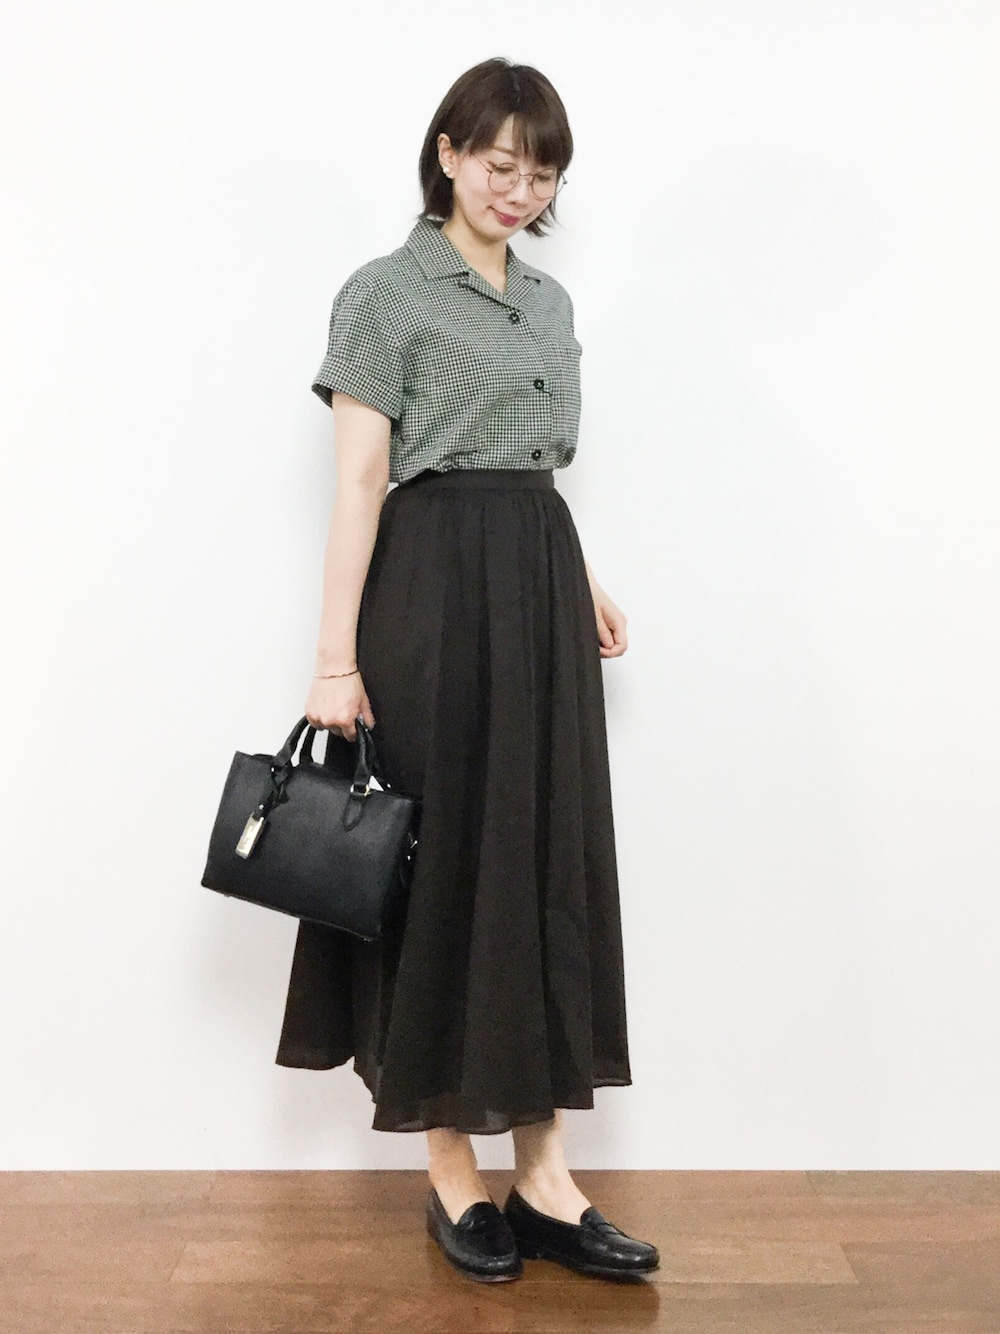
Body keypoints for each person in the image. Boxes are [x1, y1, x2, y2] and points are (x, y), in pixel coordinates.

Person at [277, 56, 658, 1283]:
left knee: (542, 862)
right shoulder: (384, 293)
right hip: (432, 592)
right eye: (500, 163)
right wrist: (333, 661)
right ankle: (449, 1164)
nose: (519, 189)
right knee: (440, 867)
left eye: (541, 174)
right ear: (447, 153)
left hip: (537, 582)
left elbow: (531, 460)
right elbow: (361, 480)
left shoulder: (547, 300)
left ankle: (544, 1175)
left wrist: (577, 573)